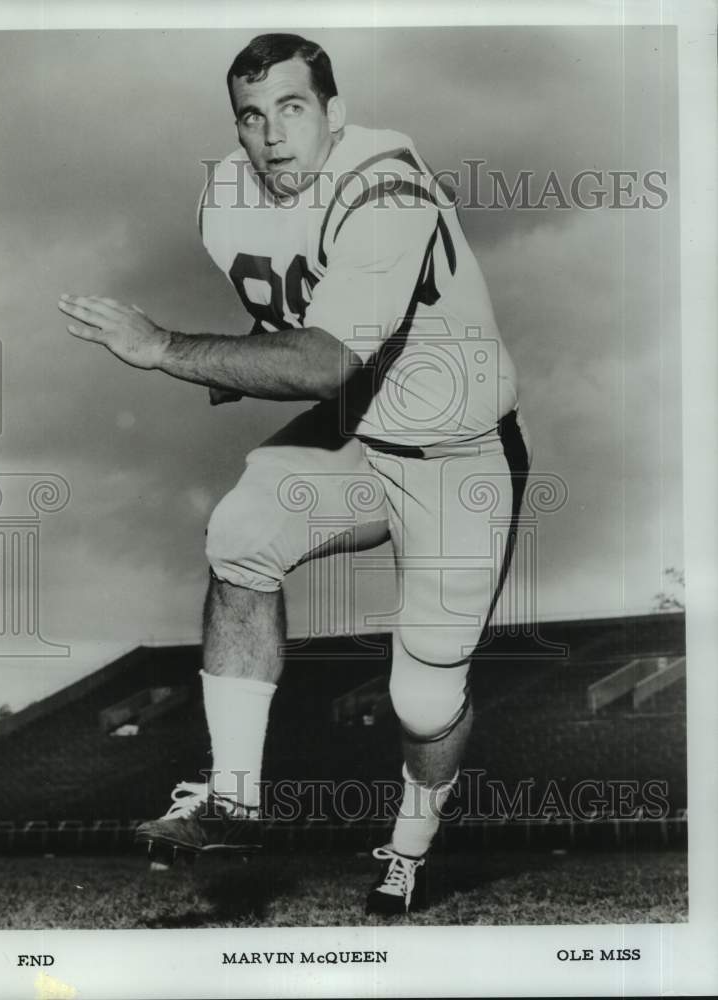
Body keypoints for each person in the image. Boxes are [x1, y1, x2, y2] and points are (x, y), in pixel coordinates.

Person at [58, 32, 531, 916]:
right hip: (363, 437)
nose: (271, 134)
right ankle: (234, 794)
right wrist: (227, 373)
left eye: (292, 108)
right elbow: (293, 329)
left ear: (334, 114)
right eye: (250, 115)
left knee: (423, 697)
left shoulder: (386, 188)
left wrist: (165, 349)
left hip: (459, 458)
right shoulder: (228, 198)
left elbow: (321, 364)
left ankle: (410, 847)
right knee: (239, 533)